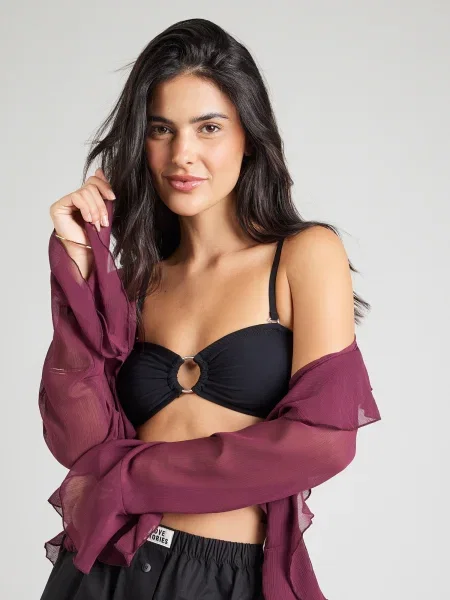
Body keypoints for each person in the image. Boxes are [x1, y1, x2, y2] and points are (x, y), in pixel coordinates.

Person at [39, 17, 377, 600]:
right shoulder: (138, 280)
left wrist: (131, 478)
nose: (182, 155)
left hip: (221, 575)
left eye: (209, 127)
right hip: (101, 568)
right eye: (161, 129)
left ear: (250, 136)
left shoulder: (303, 256)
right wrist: (78, 265)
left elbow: (323, 442)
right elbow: (80, 445)